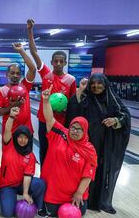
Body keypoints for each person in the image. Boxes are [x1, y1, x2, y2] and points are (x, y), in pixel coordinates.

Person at [66, 74, 131, 214]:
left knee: (101, 171)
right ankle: (84, 197)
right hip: (87, 145)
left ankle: (98, 200)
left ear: (105, 84)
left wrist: (115, 120)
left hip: (104, 145)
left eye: (99, 83)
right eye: (93, 83)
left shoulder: (112, 99)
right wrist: (80, 90)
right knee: (85, 171)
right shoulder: (85, 98)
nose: (96, 86)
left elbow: (125, 115)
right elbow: (73, 112)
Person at [41, 85, 97, 216]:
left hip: (75, 194)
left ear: (85, 131)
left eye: (79, 129)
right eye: (73, 127)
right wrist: (45, 100)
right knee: (53, 213)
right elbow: (49, 119)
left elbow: (88, 174)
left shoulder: (89, 150)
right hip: (53, 194)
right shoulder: (60, 133)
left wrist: (79, 193)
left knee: (79, 213)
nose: (75, 131)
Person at [27, 19, 77, 166]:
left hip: (61, 122)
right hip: (44, 120)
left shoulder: (71, 80)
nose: (59, 63)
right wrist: (30, 30)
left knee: (60, 152)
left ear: (65, 63)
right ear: (52, 62)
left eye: (62, 61)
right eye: (56, 61)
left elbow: (73, 103)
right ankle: (44, 179)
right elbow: (33, 52)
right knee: (44, 151)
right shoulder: (46, 74)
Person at [0, 107, 46, 217]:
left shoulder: (30, 155)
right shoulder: (8, 145)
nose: (22, 140)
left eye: (25, 138)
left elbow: (28, 175)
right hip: (7, 185)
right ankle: (4, 197)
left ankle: (39, 207)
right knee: (7, 213)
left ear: (29, 139)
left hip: (21, 184)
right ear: (16, 137)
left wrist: (25, 193)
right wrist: (11, 117)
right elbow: (7, 130)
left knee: (40, 184)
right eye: (20, 137)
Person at [0, 42, 36, 135]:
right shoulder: (1, 91)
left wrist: (21, 51)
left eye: (18, 73)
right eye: (12, 73)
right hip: (9, 133)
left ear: (21, 75)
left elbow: (32, 69)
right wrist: (13, 106)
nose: (15, 75)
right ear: (6, 74)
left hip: (27, 131)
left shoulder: (25, 86)